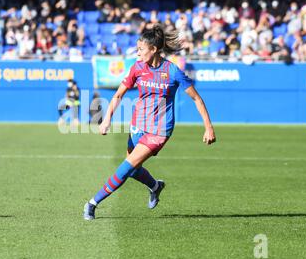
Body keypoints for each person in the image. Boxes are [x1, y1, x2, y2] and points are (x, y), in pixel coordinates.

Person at [83, 24, 216, 220]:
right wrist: (107, 119)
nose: (137, 53)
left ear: (153, 49)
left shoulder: (172, 71)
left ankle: (92, 203)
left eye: (140, 49)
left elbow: (196, 98)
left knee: (126, 167)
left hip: (160, 130)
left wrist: (208, 127)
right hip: (138, 123)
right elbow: (118, 95)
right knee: (134, 169)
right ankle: (155, 186)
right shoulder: (137, 68)